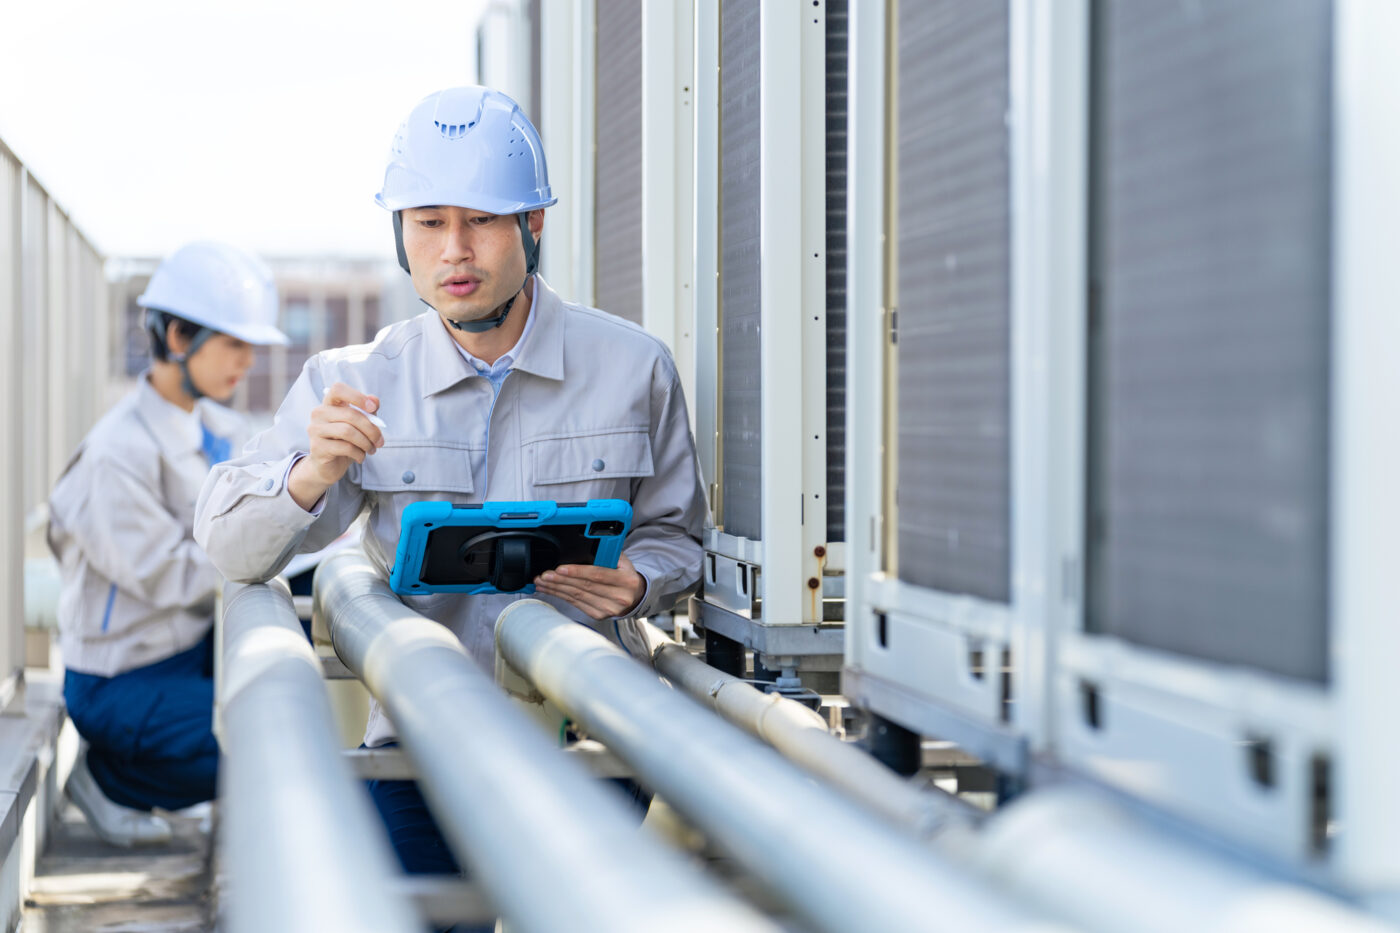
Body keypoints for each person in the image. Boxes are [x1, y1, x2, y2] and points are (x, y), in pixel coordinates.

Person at [194, 86, 707, 884]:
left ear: (532, 224)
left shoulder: (633, 368)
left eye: (481, 221)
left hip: (590, 739)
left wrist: (641, 578)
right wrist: (311, 471)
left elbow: (678, 535)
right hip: (417, 749)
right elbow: (227, 543)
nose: (454, 251)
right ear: (401, 235)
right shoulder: (355, 380)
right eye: (429, 223)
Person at [47, 242, 288, 847]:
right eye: (233, 344)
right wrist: (269, 539)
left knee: (290, 696)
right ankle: (113, 780)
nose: (247, 362)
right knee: (266, 743)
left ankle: (141, 773)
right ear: (178, 335)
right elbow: (170, 577)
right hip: (122, 679)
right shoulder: (116, 453)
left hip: (186, 648)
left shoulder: (220, 428)